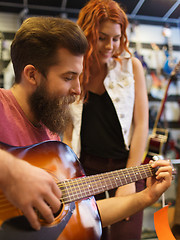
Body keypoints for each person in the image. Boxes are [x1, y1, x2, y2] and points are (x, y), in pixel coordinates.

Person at [0, 16, 172, 240]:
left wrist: (147, 197)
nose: (78, 89)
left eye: (79, 77)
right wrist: (13, 172)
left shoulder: (52, 140)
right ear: (32, 74)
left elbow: (82, 214)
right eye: (68, 77)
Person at [63, 0, 148, 239]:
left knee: (126, 234)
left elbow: (141, 125)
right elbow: (69, 130)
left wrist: (130, 177)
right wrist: (70, 175)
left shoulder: (132, 67)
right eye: (102, 37)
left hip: (126, 165)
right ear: (88, 34)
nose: (110, 45)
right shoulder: (74, 69)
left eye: (116, 38)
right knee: (87, 234)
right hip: (86, 168)